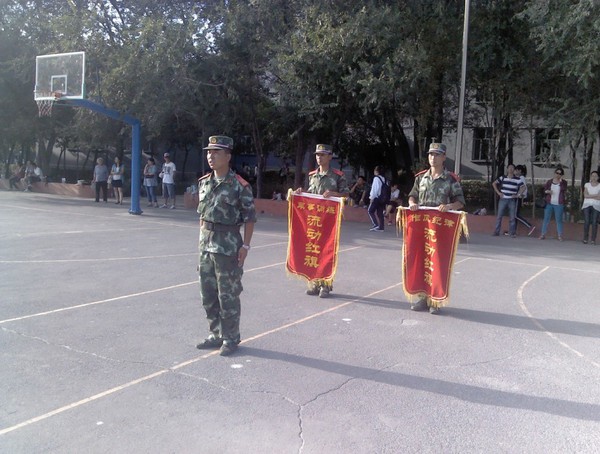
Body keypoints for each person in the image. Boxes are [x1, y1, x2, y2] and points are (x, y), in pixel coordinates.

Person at [195, 135, 256, 357]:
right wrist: (200, 245)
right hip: (206, 246)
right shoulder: (204, 182)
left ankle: (231, 338)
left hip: (228, 247)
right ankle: (216, 334)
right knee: (208, 294)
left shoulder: (240, 186)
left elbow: (250, 218)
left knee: (227, 295)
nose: (210, 156)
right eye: (209, 152)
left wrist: (245, 247)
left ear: (228, 156)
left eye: (216, 152)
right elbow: (202, 217)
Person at [407, 142, 465, 314]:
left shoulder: (450, 179)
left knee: (437, 262)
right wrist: (412, 203)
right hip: (422, 227)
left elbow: (460, 202)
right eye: (431, 154)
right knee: (421, 260)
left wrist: (449, 206)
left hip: (440, 228)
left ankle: (435, 300)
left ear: (444, 157)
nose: (433, 157)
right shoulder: (421, 178)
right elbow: (412, 195)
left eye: (437, 154)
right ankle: (423, 297)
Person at [295, 143, 349, 298]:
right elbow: (310, 195)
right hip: (314, 220)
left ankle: (326, 284)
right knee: (313, 250)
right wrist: (301, 193)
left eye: (323, 155)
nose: (319, 158)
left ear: (330, 157)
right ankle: (314, 282)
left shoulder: (338, 176)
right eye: (317, 155)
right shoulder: (312, 175)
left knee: (327, 252)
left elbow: (346, 195)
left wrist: (333, 194)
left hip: (330, 221)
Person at [492, 164, 524, 238]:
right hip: (503, 199)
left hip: (512, 200)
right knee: (499, 216)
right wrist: (498, 193)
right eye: (509, 168)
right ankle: (496, 231)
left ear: (514, 170)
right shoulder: (503, 177)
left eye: (512, 168)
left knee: (512, 217)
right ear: (507, 169)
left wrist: (518, 195)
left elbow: (523, 187)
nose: (510, 169)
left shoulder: (517, 179)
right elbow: (494, 183)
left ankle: (512, 233)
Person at [540, 167, 567, 241]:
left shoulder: (563, 182)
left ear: (562, 175)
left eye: (560, 174)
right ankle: (543, 234)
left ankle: (560, 235)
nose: (558, 175)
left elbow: (564, 189)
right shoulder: (549, 181)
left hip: (559, 203)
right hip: (549, 203)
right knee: (546, 219)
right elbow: (544, 190)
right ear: (554, 173)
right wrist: (548, 191)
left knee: (559, 220)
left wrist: (561, 181)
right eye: (557, 173)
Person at [513, 165, 536, 236]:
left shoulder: (521, 178)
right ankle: (513, 231)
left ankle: (530, 226)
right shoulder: (518, 178)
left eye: (515, 170)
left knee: (515, 215)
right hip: (516, 198)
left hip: (518, 198)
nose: (514, 171)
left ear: (519, 171)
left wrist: (520, 197)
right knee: (514, 215)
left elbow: (524, 189)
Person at [581, 170, 600, 244]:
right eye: (592, 176)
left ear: (598, 177)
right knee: (587, 221)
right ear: (590, 177)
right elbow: (585, 195)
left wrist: (590, 196)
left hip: (596, 205)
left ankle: (593, 239)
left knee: (594, 222)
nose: (594, 177)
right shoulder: (587, 185)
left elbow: (599, 197)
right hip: (587, 205)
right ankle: (585, 238)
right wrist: (595, 195)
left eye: (595, 176)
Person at [368, 165, 387, 231]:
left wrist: (371, 197)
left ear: (376, 171)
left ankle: (375, 224)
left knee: (370, 211)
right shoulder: (384, 179)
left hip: (376, 198)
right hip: (382, 198)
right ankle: (381, 227)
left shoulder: (376, 178)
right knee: (380, 213)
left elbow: (374, 189)